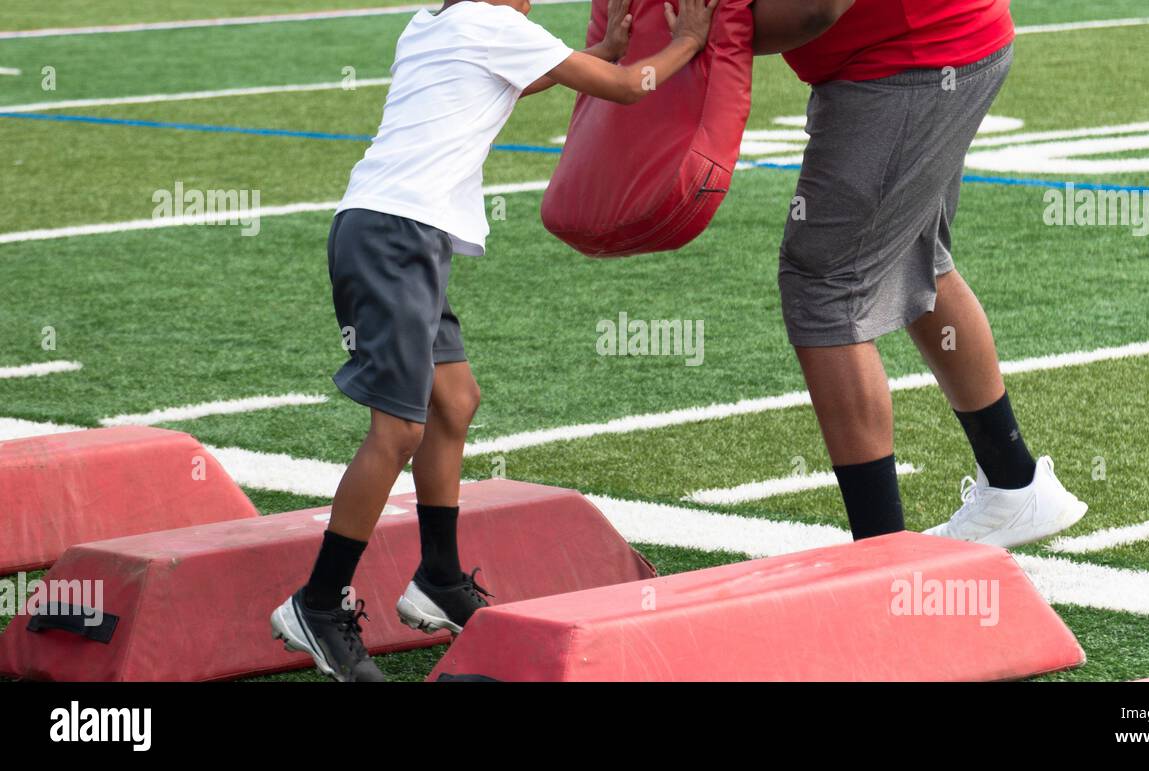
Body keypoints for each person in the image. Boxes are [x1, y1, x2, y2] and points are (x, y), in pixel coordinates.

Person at [271, 0, 719, 682]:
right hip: (395, 237)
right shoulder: (494, 24)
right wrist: (688, 40)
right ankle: (319, 602)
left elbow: (520, 77)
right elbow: (633, 90)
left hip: (397, 233)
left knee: (454, 400)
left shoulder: (435, 23)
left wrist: (599, 49)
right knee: (396, 430)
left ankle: (439, 577)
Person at [750, 0, 1088, 545]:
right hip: (942, 44)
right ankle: (1015, 484)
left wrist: (700, 39)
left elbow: (816, 9)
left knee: (824, 287)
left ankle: (881, 551)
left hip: (908, 62)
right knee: (915, 256)